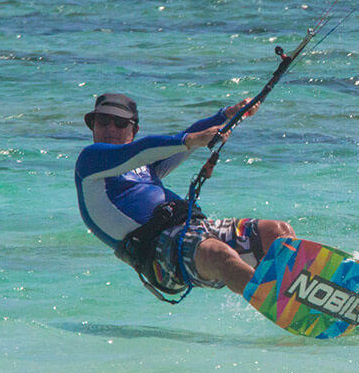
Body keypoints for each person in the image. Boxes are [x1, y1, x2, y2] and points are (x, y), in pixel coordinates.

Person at [74, 92, 296, 297]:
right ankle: (284, 309)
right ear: (92, 126)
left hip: (193, 229)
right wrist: (191, 139)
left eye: (121, 123)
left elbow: (179, 142)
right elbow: (141, 150)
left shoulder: (148, 166)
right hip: (159, 254)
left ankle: (301, 291)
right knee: (220, 255)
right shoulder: (90, 162)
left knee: (277, 233)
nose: (111, 128)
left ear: (134, 130)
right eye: (103, 121)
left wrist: (231, 114)